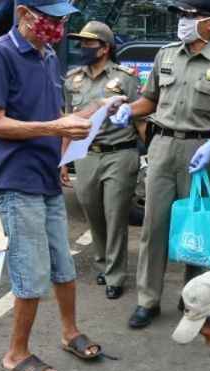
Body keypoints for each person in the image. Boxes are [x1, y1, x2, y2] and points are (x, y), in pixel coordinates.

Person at [0, 0, 123, 371]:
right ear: (25, 12)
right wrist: (55, 129)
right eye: (52, 17)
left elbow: (55, 117)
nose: (59, 25)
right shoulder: (0, 53)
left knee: (63, 264)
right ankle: (16, 353)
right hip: (16, 179)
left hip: (46, 176)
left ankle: (69, 331)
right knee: (31, 272)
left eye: (62, 18)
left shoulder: (46, 56)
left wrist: (98, 108)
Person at [108, 0, 210, 329]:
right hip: (162, 146)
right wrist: (131, 109)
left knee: (196, 228)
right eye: (182, 15)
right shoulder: (165, 55)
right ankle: (148, 300)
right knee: (154, 226)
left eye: (190, 16)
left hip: (200, 150)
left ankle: (192, 299)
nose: (183, 21)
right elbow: (150, 99)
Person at [59, 21, 142, 300]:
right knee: (92, 212)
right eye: (80, 43)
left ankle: (116, 275)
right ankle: (104, 263)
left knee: (115, 214)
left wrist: (150, 154)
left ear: (105, 47)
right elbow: (68, 122)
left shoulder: (125, 78)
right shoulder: (73, 79)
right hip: (86, 155)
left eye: (89, 43)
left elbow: (140, 116)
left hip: (120, 153)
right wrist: (63, 160)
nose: (83, 48)